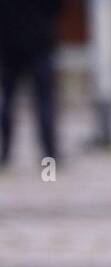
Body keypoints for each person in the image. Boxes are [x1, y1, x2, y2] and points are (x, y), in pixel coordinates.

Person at [0, 0, 62, 169]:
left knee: (8, 101)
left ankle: (5, 154)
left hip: (10, 45)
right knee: (44, 102)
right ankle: (50, 155)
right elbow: (56, 7)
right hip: (40, 42)